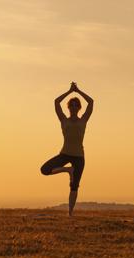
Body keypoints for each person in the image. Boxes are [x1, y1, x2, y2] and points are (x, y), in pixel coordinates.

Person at [40, 82, 94, 216]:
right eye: (72, 105)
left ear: (79, 108)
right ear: (68, 107)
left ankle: (70, 213)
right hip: (65, 154)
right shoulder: (63, 120)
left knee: (74, 186)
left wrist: (78, 91)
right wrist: (70, 91)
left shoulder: (83, 120)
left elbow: (91, 102)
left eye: (76, 105)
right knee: (44, 170)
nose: (74, 107)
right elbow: (56, 102)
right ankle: (68, 170)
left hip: (79, 157)